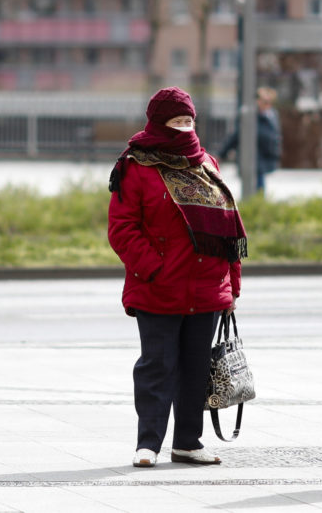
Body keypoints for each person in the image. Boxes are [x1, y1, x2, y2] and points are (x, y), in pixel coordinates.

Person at [107, 86, 248, 468]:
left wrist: (232, 286)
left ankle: (188, 441)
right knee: (157, 366)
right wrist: (154, 268)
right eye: (176, 122)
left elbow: (228, 230)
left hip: (207, 289)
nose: (185, 129)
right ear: (158, 124)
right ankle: (148, 443)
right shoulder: (135, 167)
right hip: (158, 288)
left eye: (190, 121)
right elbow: (122, 228)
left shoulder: (207, 165)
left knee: (196, 369)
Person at [217, 87, 282, 192]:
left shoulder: (272, 115)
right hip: (254, 157)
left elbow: (275, 136)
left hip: (266, 156)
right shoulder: (251, 117)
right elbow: (236, 136)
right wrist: (222, 154)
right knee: (256, 185)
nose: (267, 105)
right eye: (264, 102)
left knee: (260, 185)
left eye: (269, 102)